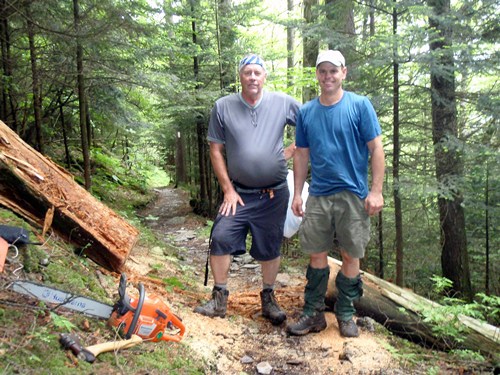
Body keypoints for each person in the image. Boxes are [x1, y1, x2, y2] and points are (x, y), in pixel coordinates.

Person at [194, 54, 301, 325]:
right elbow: (216, 150)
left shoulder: (283, 102)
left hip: (274, 194)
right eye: (247, 72)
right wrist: (227, 189)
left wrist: (292, 149)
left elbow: (310, 124)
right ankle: (219, 299)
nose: (252, 77)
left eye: (257, 72)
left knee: (270, 246)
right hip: (238, 194)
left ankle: (268, 298)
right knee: (220, 236)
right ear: (240, 76)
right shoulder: (223, 107)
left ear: (265, 76)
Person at [286, 50, 385, 337]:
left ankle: (345, 313)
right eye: (322, 71)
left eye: (333, 70)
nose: (328, 76)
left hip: (353, 195)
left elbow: (376, 148)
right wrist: (297, 194)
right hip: (318, 194)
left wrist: (376, 191)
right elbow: (302, 155)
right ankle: (314, 313)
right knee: (317, 255)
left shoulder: (359, 106)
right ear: (317, 75)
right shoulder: (306, 112)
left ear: (344, 72)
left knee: (351, 256)